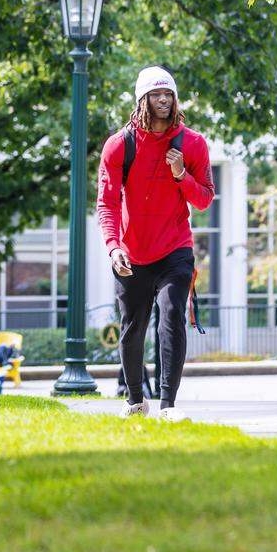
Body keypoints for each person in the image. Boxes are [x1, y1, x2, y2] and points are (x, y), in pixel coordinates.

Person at [98, 66, 215, 421]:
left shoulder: (192, 144)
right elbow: (106, 203)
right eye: (156, 95)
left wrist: (181, 175)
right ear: (142, 100)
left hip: (175, 249)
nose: (164, 100)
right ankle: (135, 400)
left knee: (172, 315)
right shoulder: (120, 145)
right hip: (132, 254)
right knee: (133, 327)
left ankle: (168, 404)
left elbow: (205, 199)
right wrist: (113, 246)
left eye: (169, 94)